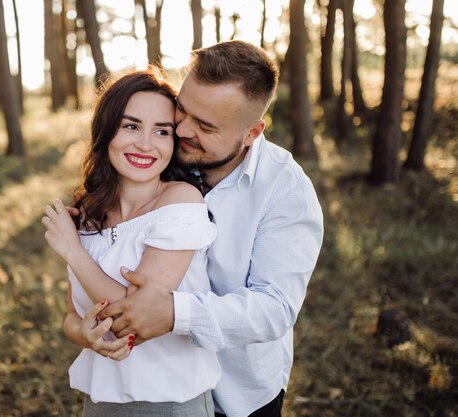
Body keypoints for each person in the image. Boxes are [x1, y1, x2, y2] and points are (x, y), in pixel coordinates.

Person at [98, 40, 324, 417]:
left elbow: (274, 308)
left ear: (252, 132)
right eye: (183, 109)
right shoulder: (168, 152)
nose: (182, 128)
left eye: (204, 125)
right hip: (157, 384)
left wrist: (176, 313)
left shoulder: (286, 191)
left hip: (238, 394)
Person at [42, 67, 221, 416]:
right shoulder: (89, 211)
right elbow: (70, 316)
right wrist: (86, 336)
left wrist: (72, 251)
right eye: (131, 126)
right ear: (107, 130)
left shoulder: (181, 202)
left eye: (161, 131)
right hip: (99, 401)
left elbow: (134, 317)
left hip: (169, 403)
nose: (145, 144)